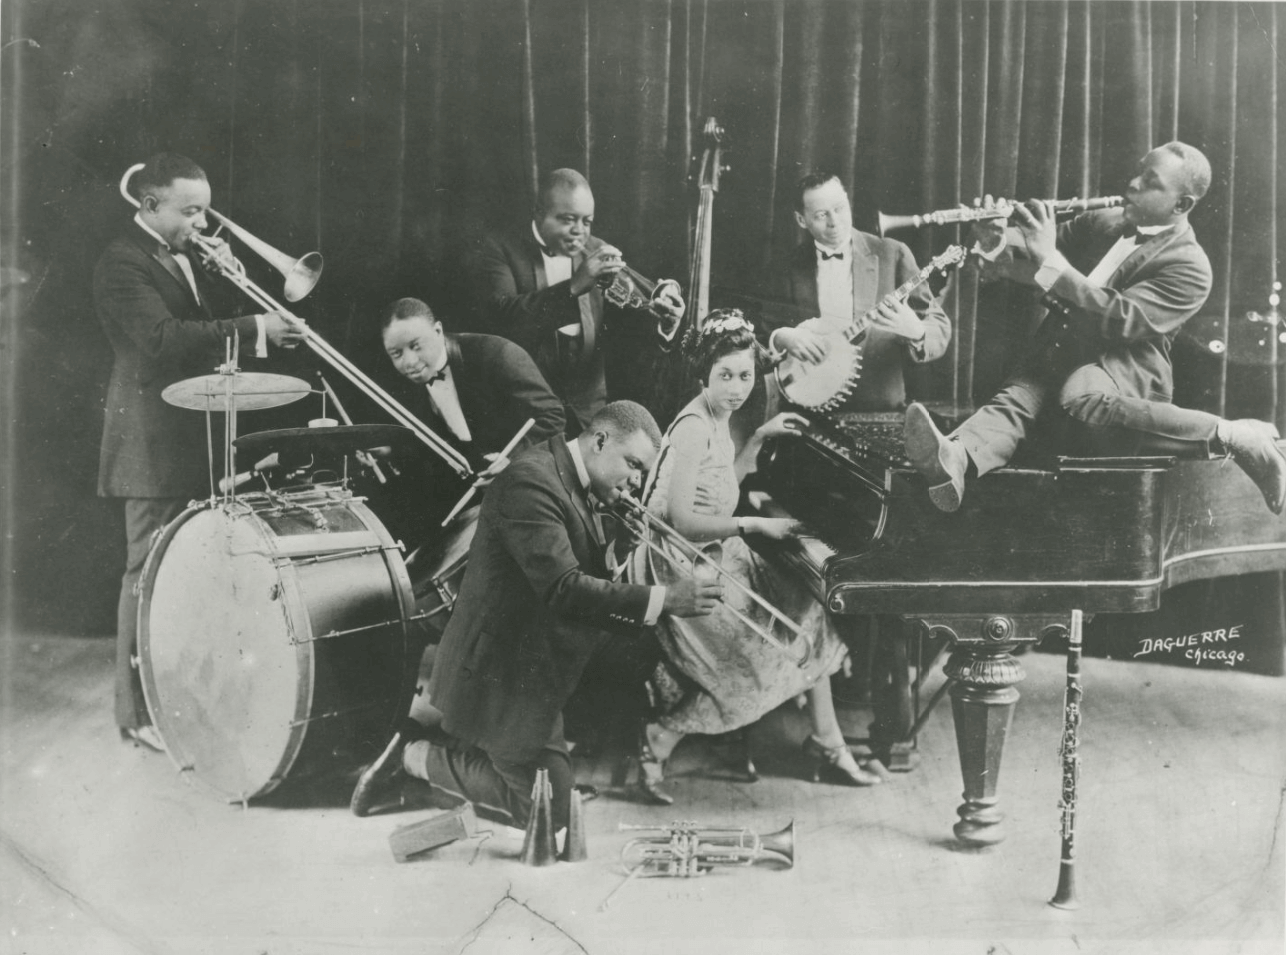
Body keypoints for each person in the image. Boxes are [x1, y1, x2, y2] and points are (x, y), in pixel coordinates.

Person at [349, 401, 720, 830]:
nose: (635, 483)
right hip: (502, 672)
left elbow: (580, 570)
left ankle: (520, 750)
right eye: (633, 465)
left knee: (635, 649)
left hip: (538, 656)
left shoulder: (575, 476)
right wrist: (667, 598)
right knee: (550, 814)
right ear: (599, 441)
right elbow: (564, 589)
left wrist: (619, 547)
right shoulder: (530, 481)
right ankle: (416, 757)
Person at [903, 141, 1286, 516]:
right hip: (1060, 352)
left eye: (1150, 182)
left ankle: (1232, 435)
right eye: (1138, 171)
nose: (1133, 183)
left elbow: (1120, 319)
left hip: (1120, 370)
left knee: (1079, 394)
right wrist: (995, 238)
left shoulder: (1191, 266)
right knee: (1015, 399)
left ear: (1181, 205)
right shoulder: (1103, 222)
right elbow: (1024, 255)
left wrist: (1050, 260)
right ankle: (954, 459)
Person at [97, 152, 306, 751]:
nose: (202, 223)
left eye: (204, 210)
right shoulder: (121, 262)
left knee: (188, 577)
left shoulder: (182, 255)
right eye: (190, 211)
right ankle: (136, 714)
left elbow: (205, 333)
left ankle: (181, 699)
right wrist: (257, 327)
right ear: (150, 205)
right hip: (150, 446)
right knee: (148, 576)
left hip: (192, 435)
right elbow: (162, 343)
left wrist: (223, 278)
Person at [633, 310, 882, 806]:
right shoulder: (691, 428)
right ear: (702, 374)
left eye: (745, 375)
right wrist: (755, 524)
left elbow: (725, 483)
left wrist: (762, 437)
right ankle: (657, 739)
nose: (737, 387)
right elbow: (681, 521)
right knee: (756, 665)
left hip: (716, 553)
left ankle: (828, 741)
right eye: (724, 375)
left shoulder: (717, 417)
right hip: (683, 567)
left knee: (810, 611)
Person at [467, 168, 685, 434]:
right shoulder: (498, 249)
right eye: (568, 219)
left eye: (587, 222)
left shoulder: (597, 249)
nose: (579, 232)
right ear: (538, 213)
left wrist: (664, 319)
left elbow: (634, 320)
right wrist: (575, 285)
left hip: (589, 415)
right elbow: (503, 322)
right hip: (528, 414)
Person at [369, 297, 566, 535]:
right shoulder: (407, 384)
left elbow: (553, 417)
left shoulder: (497, 354)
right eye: (396, 353)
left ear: (438, 330)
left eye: (416, 346)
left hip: (531, 489)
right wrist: (393, 452)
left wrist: (512, 460)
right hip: (474, 499)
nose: (409, 362)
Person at [765, 172, 952, 412]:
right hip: (804, 412)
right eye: (821, 215)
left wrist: (916, 331)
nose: (834, 222)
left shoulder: (892, 254)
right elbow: (762, 332)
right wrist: (782, 337)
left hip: (877, 410)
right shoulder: (787, 267)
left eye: (840, 208)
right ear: (801, 220)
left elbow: (938, 325)